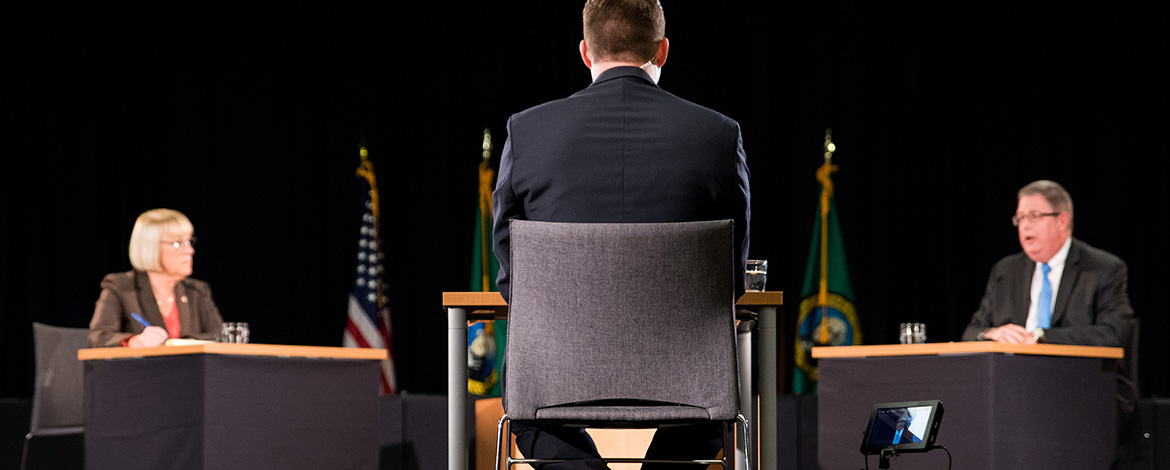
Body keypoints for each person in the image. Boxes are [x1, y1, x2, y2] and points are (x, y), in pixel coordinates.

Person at [492, 1, 750, 468]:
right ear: (663, 50)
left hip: (557, 374)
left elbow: (513, 273)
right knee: (713, 407)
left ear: (585, 52)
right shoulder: (718, 135)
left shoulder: (527, 132)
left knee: (528, 414)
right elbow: (730, 280)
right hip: (686, 376)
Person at [961, 180, 1139, 467]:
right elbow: (972, 332)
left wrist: (1042, 337)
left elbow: (1114, 334)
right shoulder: (1006, 271)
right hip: (1013, 395)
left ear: (1062, 220)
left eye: (1034, 216)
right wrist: (993, 333)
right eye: (1020, 218)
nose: (1024, 226)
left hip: (1079, 394)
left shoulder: (1103, 269)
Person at [89, 208, 224, 348]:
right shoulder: (120, 287)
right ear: (150, 247)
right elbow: (99, 338)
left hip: (190, 368)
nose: (189, 250)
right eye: (178, 243)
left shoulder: (197, 291)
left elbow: (219, 336)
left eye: (189, 242)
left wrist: (180, 344)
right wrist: (133, 341)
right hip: (141, 369)